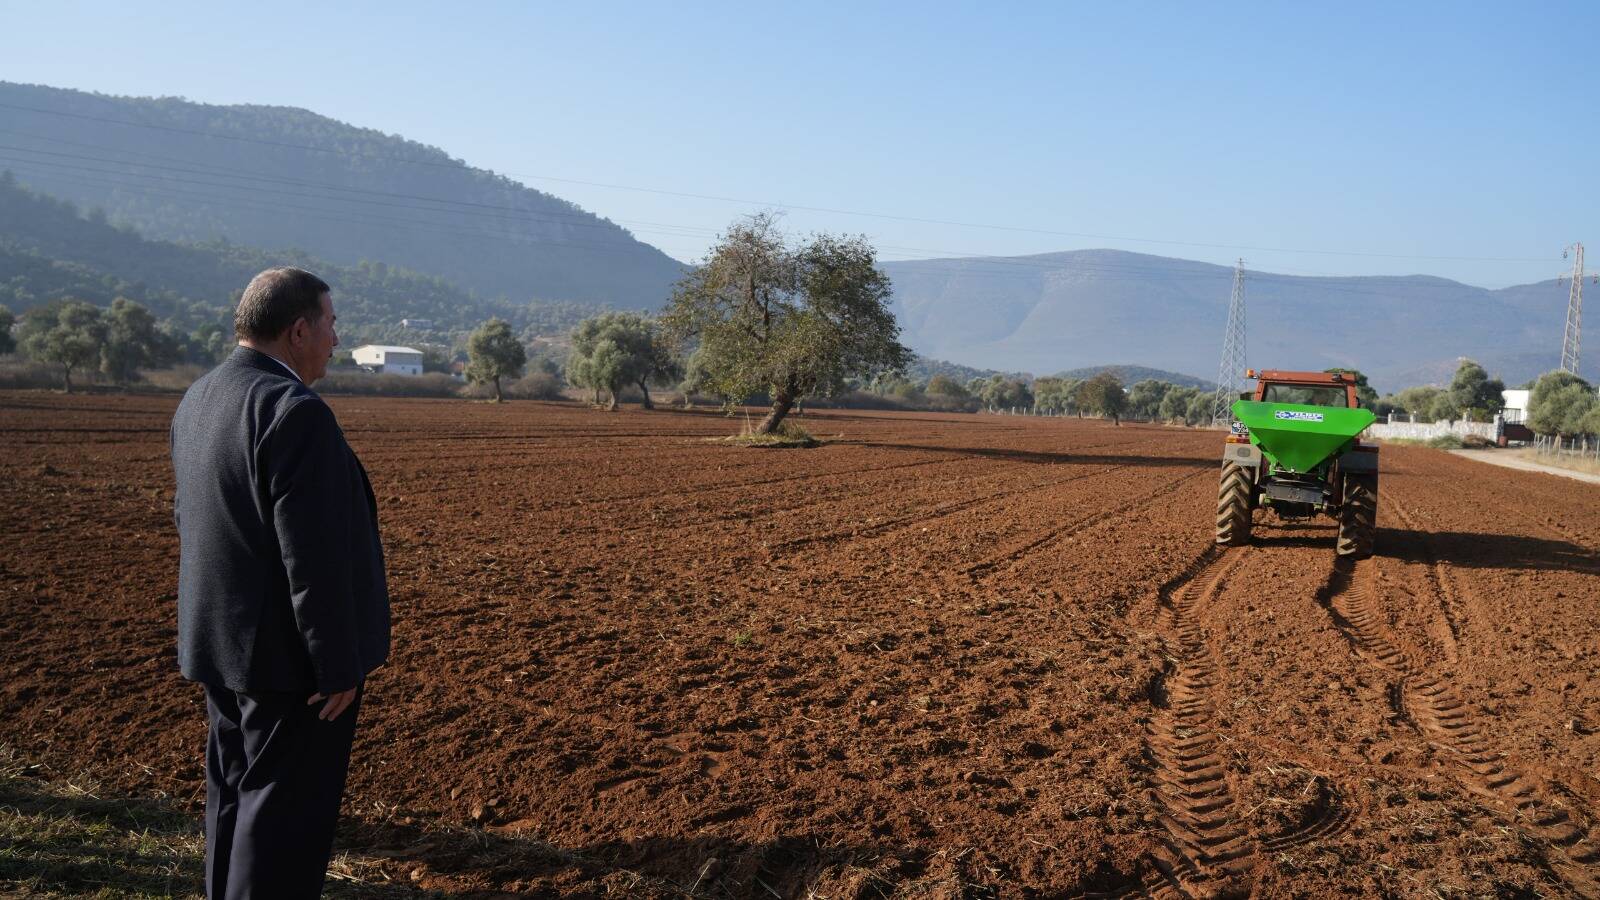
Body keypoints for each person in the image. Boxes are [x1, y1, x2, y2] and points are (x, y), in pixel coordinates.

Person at [170, 267, 390, 898]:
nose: (335, 341)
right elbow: (313, 559)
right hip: (290, 665)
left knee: (232, 799)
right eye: (331, 325)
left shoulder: (200, 397)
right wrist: (337, 666)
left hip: (221, 645)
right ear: (298, 330)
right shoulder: (296, 413)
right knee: (283, 822)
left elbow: (190, 517)